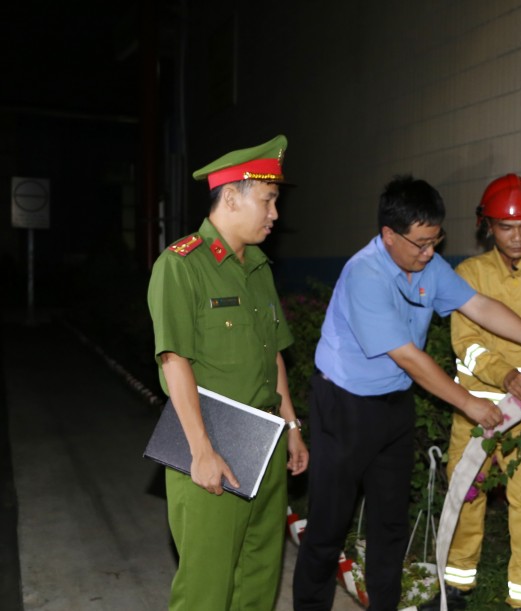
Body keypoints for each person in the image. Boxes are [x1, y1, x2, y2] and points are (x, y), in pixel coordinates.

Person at [292, 174, 521, 611]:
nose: (429, 252)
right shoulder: (365, 274)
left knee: (390, 525)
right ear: (388, 235)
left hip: (395, 406)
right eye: (420, 243)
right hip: (344, 407)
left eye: (435, 241)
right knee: (327, 527)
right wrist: (469, 403)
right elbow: (409, 357)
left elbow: (479, 306)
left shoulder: (426, 264)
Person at [147, 134, 310, 611]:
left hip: (264, 437)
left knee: (259, 578)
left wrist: (292, 427)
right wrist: (201, 451)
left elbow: (273, 354)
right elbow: (173, 360)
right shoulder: (181, 266)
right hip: (211, 437)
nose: (275, 214)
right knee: (206, 587)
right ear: (232, 196)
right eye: (268, 200)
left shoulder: (258, 268)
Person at [422, 174, 521, 611]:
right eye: (506, 227)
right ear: (486, 227)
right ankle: (454, 587)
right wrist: (505, 374)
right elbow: (465, 344)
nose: (517, 236)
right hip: (474, 408)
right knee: (466, 495)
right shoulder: (467, 275)